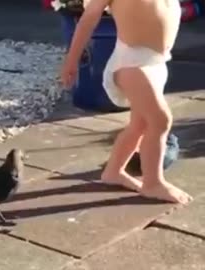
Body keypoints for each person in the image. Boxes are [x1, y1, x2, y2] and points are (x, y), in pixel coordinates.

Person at [60, 0, 193, 204]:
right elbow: (88, 18)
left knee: (139, 125)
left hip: (156, 62)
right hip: (131, 62)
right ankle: (153, 183)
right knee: (160, 120)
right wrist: (72, 60)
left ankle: (113, 171)